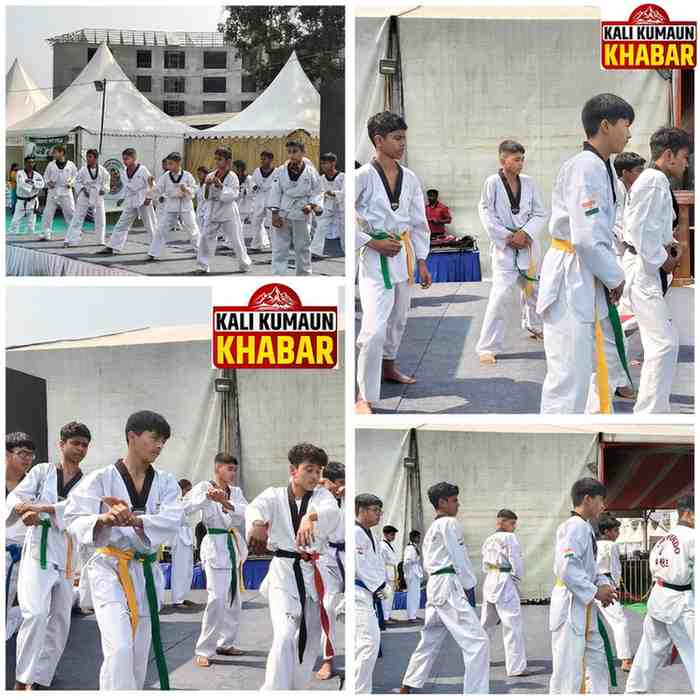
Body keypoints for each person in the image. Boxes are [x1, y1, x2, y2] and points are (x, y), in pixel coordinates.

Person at [63, 410, 181, 690]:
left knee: (139, 655)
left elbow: (174, 518)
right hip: (110, 570)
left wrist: (138, 521)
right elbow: (72, 518)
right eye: (154, 438)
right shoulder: (100, 479)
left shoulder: (165, 482)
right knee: (119, 650)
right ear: (132, 436)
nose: (159, 446)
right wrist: (103, 520)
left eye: (163, 441)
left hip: (146, 572)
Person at [538, 94, 634, 414]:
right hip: (572, 273)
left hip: (587, 271)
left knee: (592, 368)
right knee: (568, 376)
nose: (629, 134)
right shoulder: (585, 167)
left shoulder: (602, 168)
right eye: (625, 125)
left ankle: (585, 432)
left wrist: (609, 273)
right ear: (605, 125)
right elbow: (586, 238)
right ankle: (556, 438)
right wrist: (615, 277)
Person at [245, 443, 341, 690]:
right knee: (285, 634)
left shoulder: (322, 497)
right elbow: (255, 508)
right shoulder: (274, 495)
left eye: (318, 471)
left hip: (313, 573)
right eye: (309, 470)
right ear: (293, 470)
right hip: (284, 572)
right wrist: (257, 523)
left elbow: (331, 512)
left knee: (309, 642)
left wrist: (310, 517)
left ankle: (295, 689)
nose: (314, 476)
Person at [355, 112, 432, 414]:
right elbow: (345, 216)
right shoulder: (362, 177)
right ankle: (364, 395)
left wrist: (422, 260)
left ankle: (389, 366)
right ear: (379, 140)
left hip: (404, 255)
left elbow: (419, 221)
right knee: (374, 328)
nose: (402, 144)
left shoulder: (410, 178)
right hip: (376, 260)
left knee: (398, 320)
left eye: (404, 138)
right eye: (397, 138)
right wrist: (370, 241)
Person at [6, 422, 90, 690]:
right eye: (75, 443)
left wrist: (42, 508)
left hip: (66, 554)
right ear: (61, 444)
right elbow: (17, 497)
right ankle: (23, 680)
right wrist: (23, 510)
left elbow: (77, 510)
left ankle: (41, 677)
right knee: (35, 614)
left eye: (85, 445)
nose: (80, 449)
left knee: (61, 620)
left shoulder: (87, 482)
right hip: (38, 551)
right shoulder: (42, 471)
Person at [621, 127, 690, 413]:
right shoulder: (653, 180)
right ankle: (650, 413)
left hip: (644, 266)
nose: (686, 163)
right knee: (664, 343)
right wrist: (664, 259)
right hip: (643, 269)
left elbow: (650, 227)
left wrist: (669, 245)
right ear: (669, 154)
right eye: (684, 156)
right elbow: (639, 230)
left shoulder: (653, 180)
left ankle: (651, 410)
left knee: (653, 339)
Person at [400, 482, 489, 694]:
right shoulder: (449, 523)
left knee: (430, 640)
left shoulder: (433, 528)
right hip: (448, 585)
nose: (458, 504)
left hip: (436, 585)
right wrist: (469, 585)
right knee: (478, 643)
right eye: (454, 500)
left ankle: (407, 685)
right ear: (442, 502)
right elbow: (459, 557)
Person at [476, 140, 548, 363]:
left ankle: (535, 326)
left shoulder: (529, 182)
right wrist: (507, 236)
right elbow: (486, 212)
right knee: (500, 296)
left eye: (522, 159)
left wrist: (525, 233)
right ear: (503, 160)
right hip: (505, 249)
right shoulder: (493, 182)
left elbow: (540, 213)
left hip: (527, 245)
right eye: (516, 159)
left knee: (534, 290)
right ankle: (487, 347)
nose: (521, 163)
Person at [549, 477, 617, 693]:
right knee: (569, 667)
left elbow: (589, 567)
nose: (603, 506)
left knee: (596, 659)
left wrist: (603, 585)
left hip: (583, 602)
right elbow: (567, 568)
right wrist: (596, 592)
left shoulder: (585, 527)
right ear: (587, 499)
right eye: (600, 500)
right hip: (571, 602)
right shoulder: (574, 527)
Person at [626, 493, 694, 692]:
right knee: (694, 652)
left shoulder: (664, 540)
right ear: (689, 513)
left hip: (659, 597)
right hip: (680, 603)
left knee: (648, 651)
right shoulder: (692, 538)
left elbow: (653, 568)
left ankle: (634, 691)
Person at [185, 454, 248, 667]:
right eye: (229, 469)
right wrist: (207, 498)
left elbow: (246, 513)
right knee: (216, 599)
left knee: (234, 599)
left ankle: (225, 643)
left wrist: (225, 502)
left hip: (232, 545)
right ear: (217, 468)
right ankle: (204, 650)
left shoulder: (236, 492)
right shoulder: (205, 487)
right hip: (214, 544)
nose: (232, 473)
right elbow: (187, 508)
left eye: (234, 469)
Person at [610, 152, 646, 399]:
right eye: (637, 171)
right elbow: (616, 225)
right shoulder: (614, 189)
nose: (641, 175)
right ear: (625, 172)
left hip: (624, 256)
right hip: (615, 257)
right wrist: (630, 242)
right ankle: (620, 380)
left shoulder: (629, 190)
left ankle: (620, 378)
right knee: (623, 317)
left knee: (629, 314)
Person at [481, 508, 527, 677]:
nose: (514, 527)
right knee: (512, 624)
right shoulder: (510, 538)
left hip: (490, 579)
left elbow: (484, 564)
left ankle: (479, 657)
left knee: (486, 624)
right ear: (502, 522)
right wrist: (516, 579)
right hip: (504, 579)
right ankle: (516, 667)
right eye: (512, 523)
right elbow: (516, 561)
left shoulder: (488, 539)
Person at [268, 139, 322, 276]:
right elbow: (275, 192)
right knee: (279, 247)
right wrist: (274, 214)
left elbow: (317, 192)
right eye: (289, 152)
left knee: (302, 247)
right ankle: (278, 275)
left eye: (295, 151)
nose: (292, 155)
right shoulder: (280, 171)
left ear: (303, 152)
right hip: (283, 211)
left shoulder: (311, 172)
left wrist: (311, 205)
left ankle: (304, 275)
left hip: (301, 212)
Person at [195, 146, 252, 274]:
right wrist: (208, 185)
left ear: (228, 161)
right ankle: (202, 265)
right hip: (213, 210)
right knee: (205, 237)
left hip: (228, 211)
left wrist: (221, 186)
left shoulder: (232, 176)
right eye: (216, 159)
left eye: (220, 159)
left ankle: (244, 264)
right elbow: (205, 196)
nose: (217, 161)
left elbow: (233, 195)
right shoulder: (211, 175)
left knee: (236, 239)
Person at [355, 493, 389, 694]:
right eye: (375, 510)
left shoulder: (370, 535)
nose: (379, 514)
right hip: (358, 592)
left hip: (368, 593)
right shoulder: (355, 532)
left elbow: (375, 566)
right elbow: (362, 567)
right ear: (362, 510)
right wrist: (381, 589)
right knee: (368, 644)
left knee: (365, 645)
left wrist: (381, 587)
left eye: (379, 511)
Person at [316, 461, 346, 680]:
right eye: (339, 483)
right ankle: (328, 660)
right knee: (328, 606)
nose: (340, 487)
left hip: (352, 555)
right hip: (327, 555)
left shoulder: (353, 499)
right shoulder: (317, 497)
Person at [5, 433, 35, 640]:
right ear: (7, 454)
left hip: (26, 552)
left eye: (31, 455)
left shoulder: (35, 483)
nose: (27, 459)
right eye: (22, 453)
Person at [595, 513, 633, 672]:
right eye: (615, 530)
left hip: (591, 585)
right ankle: (625, 659)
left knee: (592, 624)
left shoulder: (593, 543)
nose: (618, 534)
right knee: (619, 621)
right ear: (606, 531)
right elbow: (616, 569)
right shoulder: (612, 546)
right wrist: (616, 588)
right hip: (606, 584)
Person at [101, 148, 157, 255]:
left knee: (150, 225)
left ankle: (155, 249)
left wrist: (149, 197)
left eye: (127, 159)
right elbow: (126, 188)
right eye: (123, 159)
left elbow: (152, 184)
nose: (124, 161)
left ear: (134, 158)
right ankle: (113, 246)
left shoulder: (143, 170)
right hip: (131, 200)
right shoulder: (124, 173)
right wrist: (122, 198)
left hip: (144, 199)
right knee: (122, 223)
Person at [149, 152, 199, 260]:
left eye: (171, 164)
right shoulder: (165, 176)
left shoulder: (187, 175)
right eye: (168, 164)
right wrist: (151, 185)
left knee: (192, 229)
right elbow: (158, 189)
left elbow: (194, 189)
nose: (168, 166)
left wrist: (186, 189)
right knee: (162, 228)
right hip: (171, 205)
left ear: (178, 163)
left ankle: (200, 252)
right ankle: (153, 253)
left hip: (185, 205)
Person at [64, 149, 110, 247]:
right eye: (87, 157)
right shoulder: (83, 170)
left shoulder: (103, 170)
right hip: (85, 195)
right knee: (77, 217)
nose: (88, 159)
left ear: (96, 158)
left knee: (100, 218)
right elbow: (77, 181)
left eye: (90, 157)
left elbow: (106, 182)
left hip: (97, 195)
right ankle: (71, 240)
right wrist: (82, 189)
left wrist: (104, 189)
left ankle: (100, 240)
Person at [311, 152, 345, 259]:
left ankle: (349, 251)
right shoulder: (321, 179)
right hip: (328, 206)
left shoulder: (343, 177)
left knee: (345, 231)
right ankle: (315, 251)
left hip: (342, 207)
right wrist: (319, 201)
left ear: (333, 163)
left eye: (325, 163)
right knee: (321, 226)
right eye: (322, 164)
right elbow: (318, 193)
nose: (323, 166)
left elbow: (346, 192)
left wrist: (334, 193)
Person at [40, 144, 77, 241]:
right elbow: (45, 176)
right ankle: (45, 233)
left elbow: (76, 176)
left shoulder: (71, 165)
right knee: (48, 213)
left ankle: (74, 233)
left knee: (70, 212)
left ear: (62, 153)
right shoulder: (51, 165)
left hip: (66, 191)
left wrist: (71, 183)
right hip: (53, 191)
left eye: (55, 152)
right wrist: (49, 182)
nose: (53, 154)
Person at [169, 478, 196, 609]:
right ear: (183, 490)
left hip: (187, 535)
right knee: (180, 569)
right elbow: (184, 510)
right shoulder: (175, 501)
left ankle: (183, 596)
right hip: (179, 536)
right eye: (188, 490)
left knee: (187, 569)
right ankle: (177, 599)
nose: (189, 492)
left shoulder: (185, 501)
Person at [9, 156, 45, 235]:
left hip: (33, 201)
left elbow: (42, 185)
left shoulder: (37, 175)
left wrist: (32, 183)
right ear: (25, 163)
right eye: (28, 162)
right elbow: (22, 185)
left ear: (34, 163)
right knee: (15, 221)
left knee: (31, 224)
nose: (30, 164)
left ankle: (29, 237)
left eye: (32, 162)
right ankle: (12, 237)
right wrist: (34, 187)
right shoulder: (20, 173)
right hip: (21, 201)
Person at [249, 151, 275, 250]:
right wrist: (254, 186)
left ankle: (275, 246)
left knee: (273, 224)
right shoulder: (257, 171)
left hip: (271, 198)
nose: (262, 161)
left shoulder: (277, 172)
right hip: (259, 198)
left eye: (264, 159)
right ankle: (256, 244)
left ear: (271, 159)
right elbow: (252, 181)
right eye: (261, 159)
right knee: (256, 222)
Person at [380, 524, 400, 623]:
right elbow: (380, 562)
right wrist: (382, 577)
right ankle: (384, 618)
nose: (393, 536)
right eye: (392, 534)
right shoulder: (382, 546)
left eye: (394, 535)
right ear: (385, 534)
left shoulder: (388, 545)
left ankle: (388, 615)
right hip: (386, 575)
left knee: (390, 596)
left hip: (391, 573)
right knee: (386, 597)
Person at [403, 530, 423, 622]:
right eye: (418, 537)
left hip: (415, 573)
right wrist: (408, 574)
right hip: (412, 574)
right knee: (412, 595)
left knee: (416, 595)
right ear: (414, 538)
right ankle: (411, 616)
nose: (419, 539)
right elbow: (406, 562)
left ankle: (413, 614)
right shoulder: (410, 548)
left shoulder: (414, 547)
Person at [233, 160, 255, 244]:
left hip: (250, 204)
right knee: (236, 224)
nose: (233, 169)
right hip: (239, 204)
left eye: (234, 167)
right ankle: (233, 242)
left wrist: (245, 191)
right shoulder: (235, 178)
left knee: (256, 224)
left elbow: (255, 190)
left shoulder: (249, 178)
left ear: (240, 168)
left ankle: (262, 242)